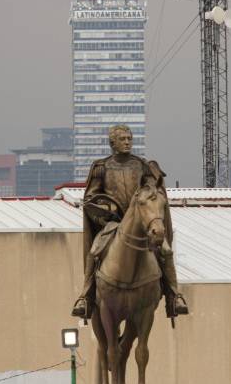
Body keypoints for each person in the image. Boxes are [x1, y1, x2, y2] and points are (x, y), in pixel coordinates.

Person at [71, 124, 189, 319]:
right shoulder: (102, 167)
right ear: (112, 143)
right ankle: (86, 296)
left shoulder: (143, 166)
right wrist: (106, 212)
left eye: (129, 138)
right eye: (123, 139)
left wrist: (149, 203)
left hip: (142, 223)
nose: (127, 142)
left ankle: (174, 295)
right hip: (113, 223)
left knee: (166, 250)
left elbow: (152, 191)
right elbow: (91, 198)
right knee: (94, 250)